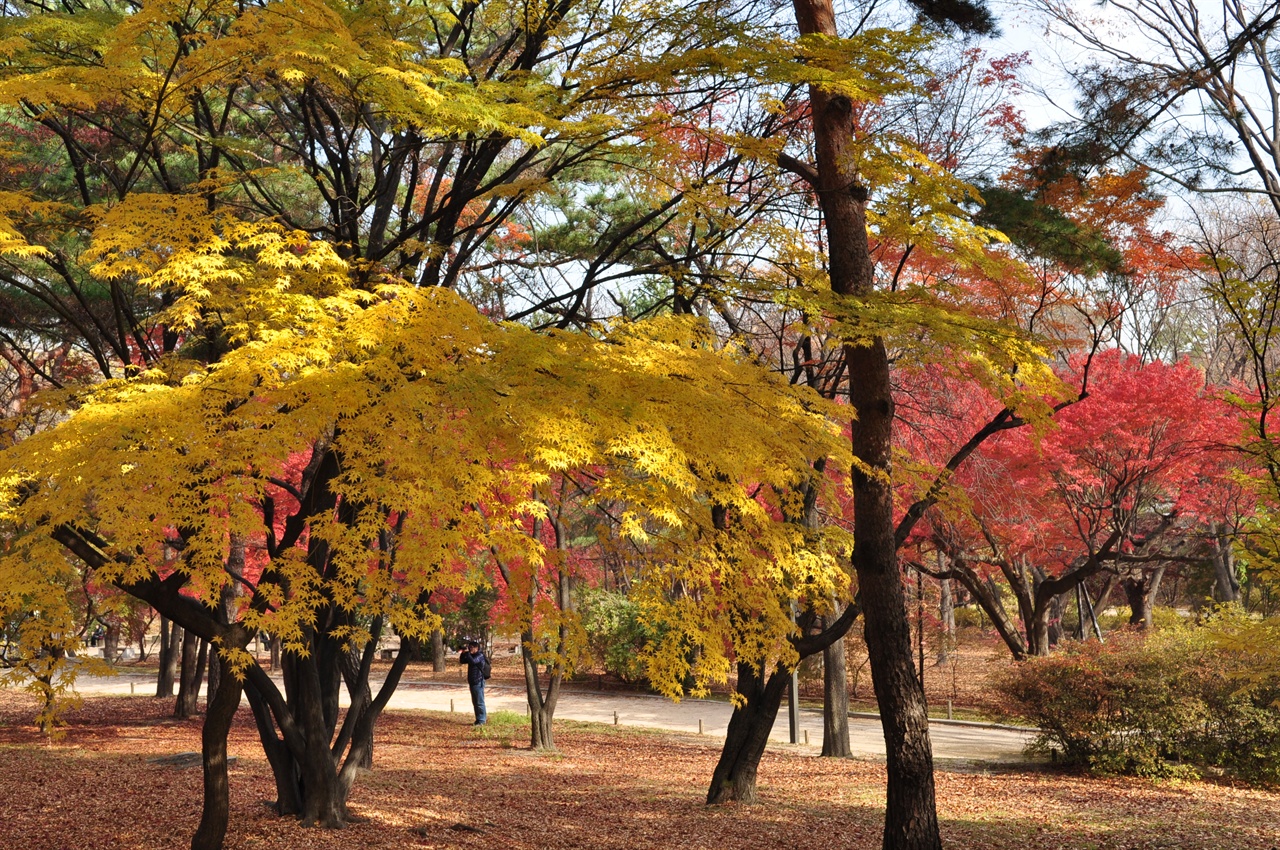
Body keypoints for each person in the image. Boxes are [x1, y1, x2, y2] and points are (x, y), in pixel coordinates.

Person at [458, 639, 487, 725]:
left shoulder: (480, 655)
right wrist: (463, 653)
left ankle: (482, 720)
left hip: (479, 681)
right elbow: (462, 661)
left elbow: (473, 661)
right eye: (469, 648)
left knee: (479, 701)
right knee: (475, 702)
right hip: (472, 681)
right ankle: (478, 719)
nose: (470, 649)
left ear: (476, 648)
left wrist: (468, 654)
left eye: (471, 648)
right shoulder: (471, 655)